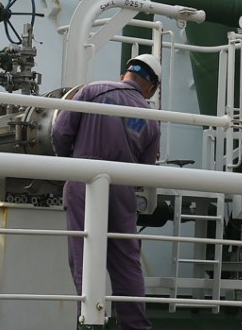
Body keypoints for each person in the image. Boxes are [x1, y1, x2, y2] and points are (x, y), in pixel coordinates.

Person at [52, 54, 163, 330]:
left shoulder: (92, 90)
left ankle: (89, 323)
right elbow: (146, 171)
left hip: (83, 184)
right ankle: (135, 326)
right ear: (150, 88)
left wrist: (71, 164)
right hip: (123, 191)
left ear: (124, 75)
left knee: (84, 258)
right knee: (126, 263)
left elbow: (60, 132)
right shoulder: (152, 119)